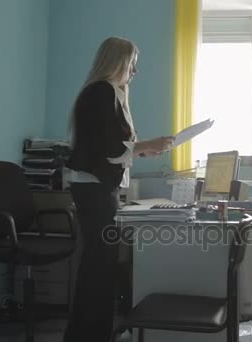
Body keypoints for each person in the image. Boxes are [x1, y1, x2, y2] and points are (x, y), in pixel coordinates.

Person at [63, 37, 174, 342]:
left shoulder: (111, 93)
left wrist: (141, 151)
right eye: (132, 65)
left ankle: (90, 334)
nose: (135, 72)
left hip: (99, 189)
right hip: (95, 190)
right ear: (117, 62)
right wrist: (147, 145)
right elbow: (109, 147)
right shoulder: (101, 92)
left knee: (99, 265)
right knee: (99, 266)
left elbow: (112, 147)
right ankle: (90, 335)